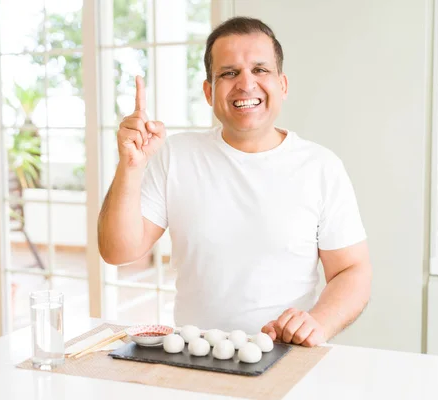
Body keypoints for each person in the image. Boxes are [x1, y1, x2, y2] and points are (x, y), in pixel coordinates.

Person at [97, 17, 372, 347]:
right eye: (229, 73)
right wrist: (130, 166)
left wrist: (318, 324)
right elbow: (117, 250)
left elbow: (352, 270)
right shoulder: (176, 155)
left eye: (260, 70)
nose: (246, 83)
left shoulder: (321, 167)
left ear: (282, 85)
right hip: (195, 356)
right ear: (209, 92)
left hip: (287, 355)